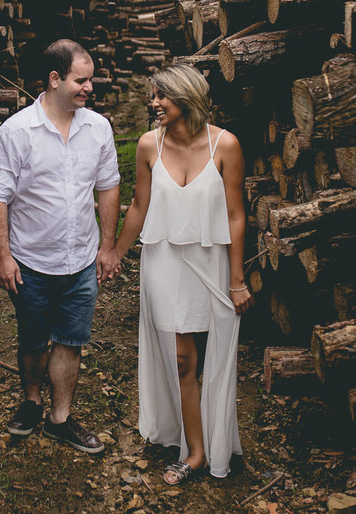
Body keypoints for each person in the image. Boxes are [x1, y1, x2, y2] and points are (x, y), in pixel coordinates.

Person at [112, 62, 252, 484]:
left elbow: (236, 215)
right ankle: (195, 451)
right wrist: (115, 253)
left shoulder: (225, 145)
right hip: (163, 260)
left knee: (218, 354)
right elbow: (139, 206)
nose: (153, 103)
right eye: (152, 96)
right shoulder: (148, 145)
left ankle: (217, 438)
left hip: (211, 263)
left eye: (161, 95)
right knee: (181, 357)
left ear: (187, 97)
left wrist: (237, 279)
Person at [0, 39, 122, 454]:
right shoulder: (15, 132)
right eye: (81, 80)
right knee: (32, 340)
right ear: (55, 79)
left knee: (71, 340)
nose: (89, 88)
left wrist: (108, 247)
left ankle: (60, 418)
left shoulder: (98, 128)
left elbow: (108, 187)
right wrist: (4, 257)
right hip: (32, 261)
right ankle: (32, 400)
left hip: (81, 260)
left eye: (91, 80)